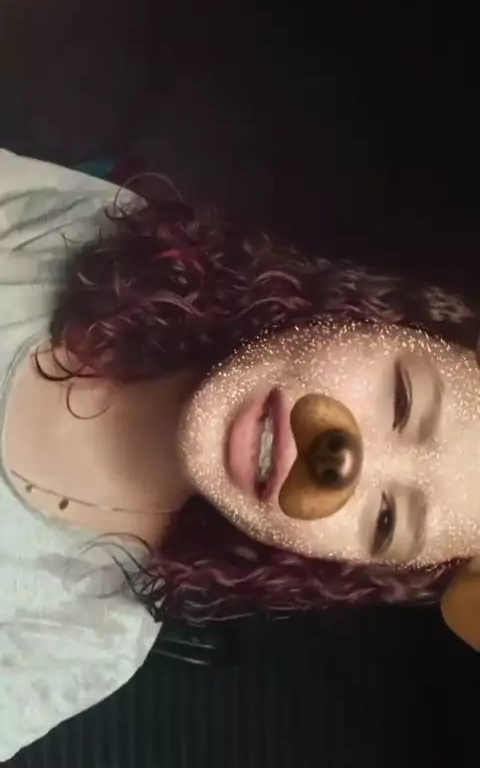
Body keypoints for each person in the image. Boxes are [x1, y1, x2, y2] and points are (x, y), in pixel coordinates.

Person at [0, 149, 478, 760]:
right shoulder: (100, 232)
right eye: (403, 399)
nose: (340, 463)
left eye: (386, 520)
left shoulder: (85, 642)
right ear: (367, 321)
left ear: (340, 562)